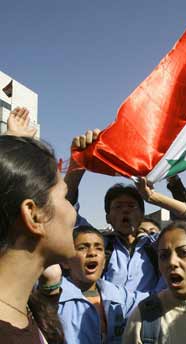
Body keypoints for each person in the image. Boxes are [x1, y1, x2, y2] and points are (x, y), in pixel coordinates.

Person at [65, 130, 186, 293]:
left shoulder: (157, 246)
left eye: (131, 206)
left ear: (142, 215)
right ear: (108, 217)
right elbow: (66, 214)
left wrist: (159, 192)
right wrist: (76, 167)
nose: (125, 211)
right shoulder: (99, 246)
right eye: (118, 207)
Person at [0, 107, 76, 343]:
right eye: (65, 197)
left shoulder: (29, 311)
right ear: (34, 216)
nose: (73, 210)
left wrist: (15, 149)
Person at [38, 226, 150, 343]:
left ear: (104, 261)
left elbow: (158, 298)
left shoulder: (118, 296)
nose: (92, 253)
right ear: (65, 262)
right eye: (82, 248)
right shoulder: (54, 297)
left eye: (99, 248)